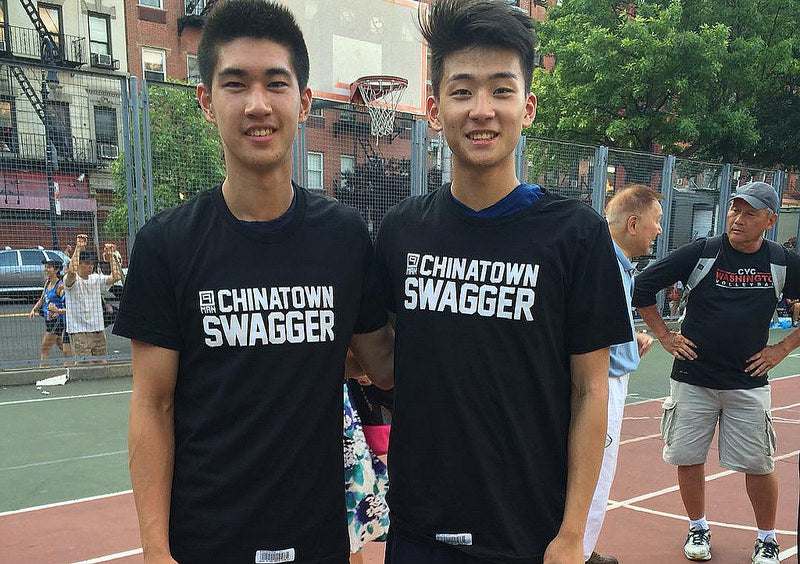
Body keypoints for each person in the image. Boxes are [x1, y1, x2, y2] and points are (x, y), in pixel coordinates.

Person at [113, 2, 394, 562]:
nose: (258, 104)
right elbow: (153, 406)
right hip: (209, 541)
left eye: (276, 84)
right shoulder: (167, 244)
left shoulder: (343, 236)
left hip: (319, 539)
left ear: (305, 101)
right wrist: (155, 549)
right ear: (205, 100)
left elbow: (385, 364)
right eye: (236, 84)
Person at [375, 1, 633, 562]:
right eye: (462, 90)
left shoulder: (577, 236)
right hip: (420, 534)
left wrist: (573, 534)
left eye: (501, 89)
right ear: (433, 107)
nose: (481, 110)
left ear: (528, 107)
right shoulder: (400, 231)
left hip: (531, 537)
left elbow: (592, 392)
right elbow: (383, 357)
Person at [632, 181, 800, 564]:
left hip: (748, 382)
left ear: (770, 221)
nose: (738, 219)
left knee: (759, 464)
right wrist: (665, 335)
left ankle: (767, 538)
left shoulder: (781, 261)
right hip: (693, 380)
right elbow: (642, 287)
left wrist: (783, 347)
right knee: (689, 458)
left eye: (749, 213)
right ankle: (698, 527)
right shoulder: (703, 253)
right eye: (734, 210)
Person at [582, 185, 661, 564]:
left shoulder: (613, 263)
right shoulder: (606, 266)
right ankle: (577, 552)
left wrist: (632, 339)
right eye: (656, 221)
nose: (658, 230)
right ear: (633, 223)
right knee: (596, 473)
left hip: (605, 377)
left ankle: (580, 546)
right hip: (601, 384)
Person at [64, 234, 121, 362]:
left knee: (102, 362)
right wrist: (78, 248)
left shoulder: (95, 278)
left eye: (92, 264)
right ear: (79, 264)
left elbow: (116, 277)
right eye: (86, 263)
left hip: (97, 328)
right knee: (85, 366)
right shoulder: (72, 280)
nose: (90, 266)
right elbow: (71, 272)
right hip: (79, 331)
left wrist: (111, 256)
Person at [28, 258, 71, 363]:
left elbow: (67, 302)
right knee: (60, 343)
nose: (46, 269)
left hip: (57, 320)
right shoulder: (47, 283)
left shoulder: (60, 286)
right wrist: (34, 309)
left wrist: (58, 310)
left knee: (45, 346)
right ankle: (73, 359)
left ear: (56, 270)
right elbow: (42, 299)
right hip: (48, 318)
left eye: (49, 267)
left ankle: (43, 369)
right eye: (46, 267)